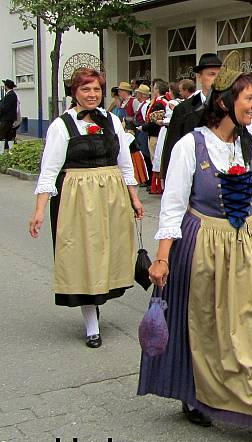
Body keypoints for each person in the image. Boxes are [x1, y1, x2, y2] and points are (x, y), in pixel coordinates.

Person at [138, 64, 252, 442]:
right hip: (204, 245)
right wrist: (163, 259)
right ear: (224, 102)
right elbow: (171, 209)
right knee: (207, 330)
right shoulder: (191, 146)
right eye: (249, 98)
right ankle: (197, 393)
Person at [27, 68, 144, 348]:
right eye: (85, 90)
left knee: (108, 252)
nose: (92, 95)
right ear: (74, 93)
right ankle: (91, 321)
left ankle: (99, 299)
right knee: (84, 256)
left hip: (111, 195)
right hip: (77, 197)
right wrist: (40, 210)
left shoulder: (113, 121)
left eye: (96, 90)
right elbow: (49, 171)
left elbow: (125, 164)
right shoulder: (61, 125)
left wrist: (135, 198)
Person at [160, 53, 222, 180]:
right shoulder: (184, 109)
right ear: (199, 77)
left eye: (219, 75)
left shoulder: (229, 107)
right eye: (211, 74)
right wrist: (168, 177)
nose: (216, 79)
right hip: (192, 175)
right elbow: (172, 145)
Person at [0, 79, 19, 151]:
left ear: (6, 86)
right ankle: (10, 151)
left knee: (2, 136)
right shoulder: (11, 94)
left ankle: (2, 152)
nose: (4, 87)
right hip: (9, 119)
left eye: (4, 85)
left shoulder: (10, 95)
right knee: (9, 136)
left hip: (7, 119)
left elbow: (4, 107)